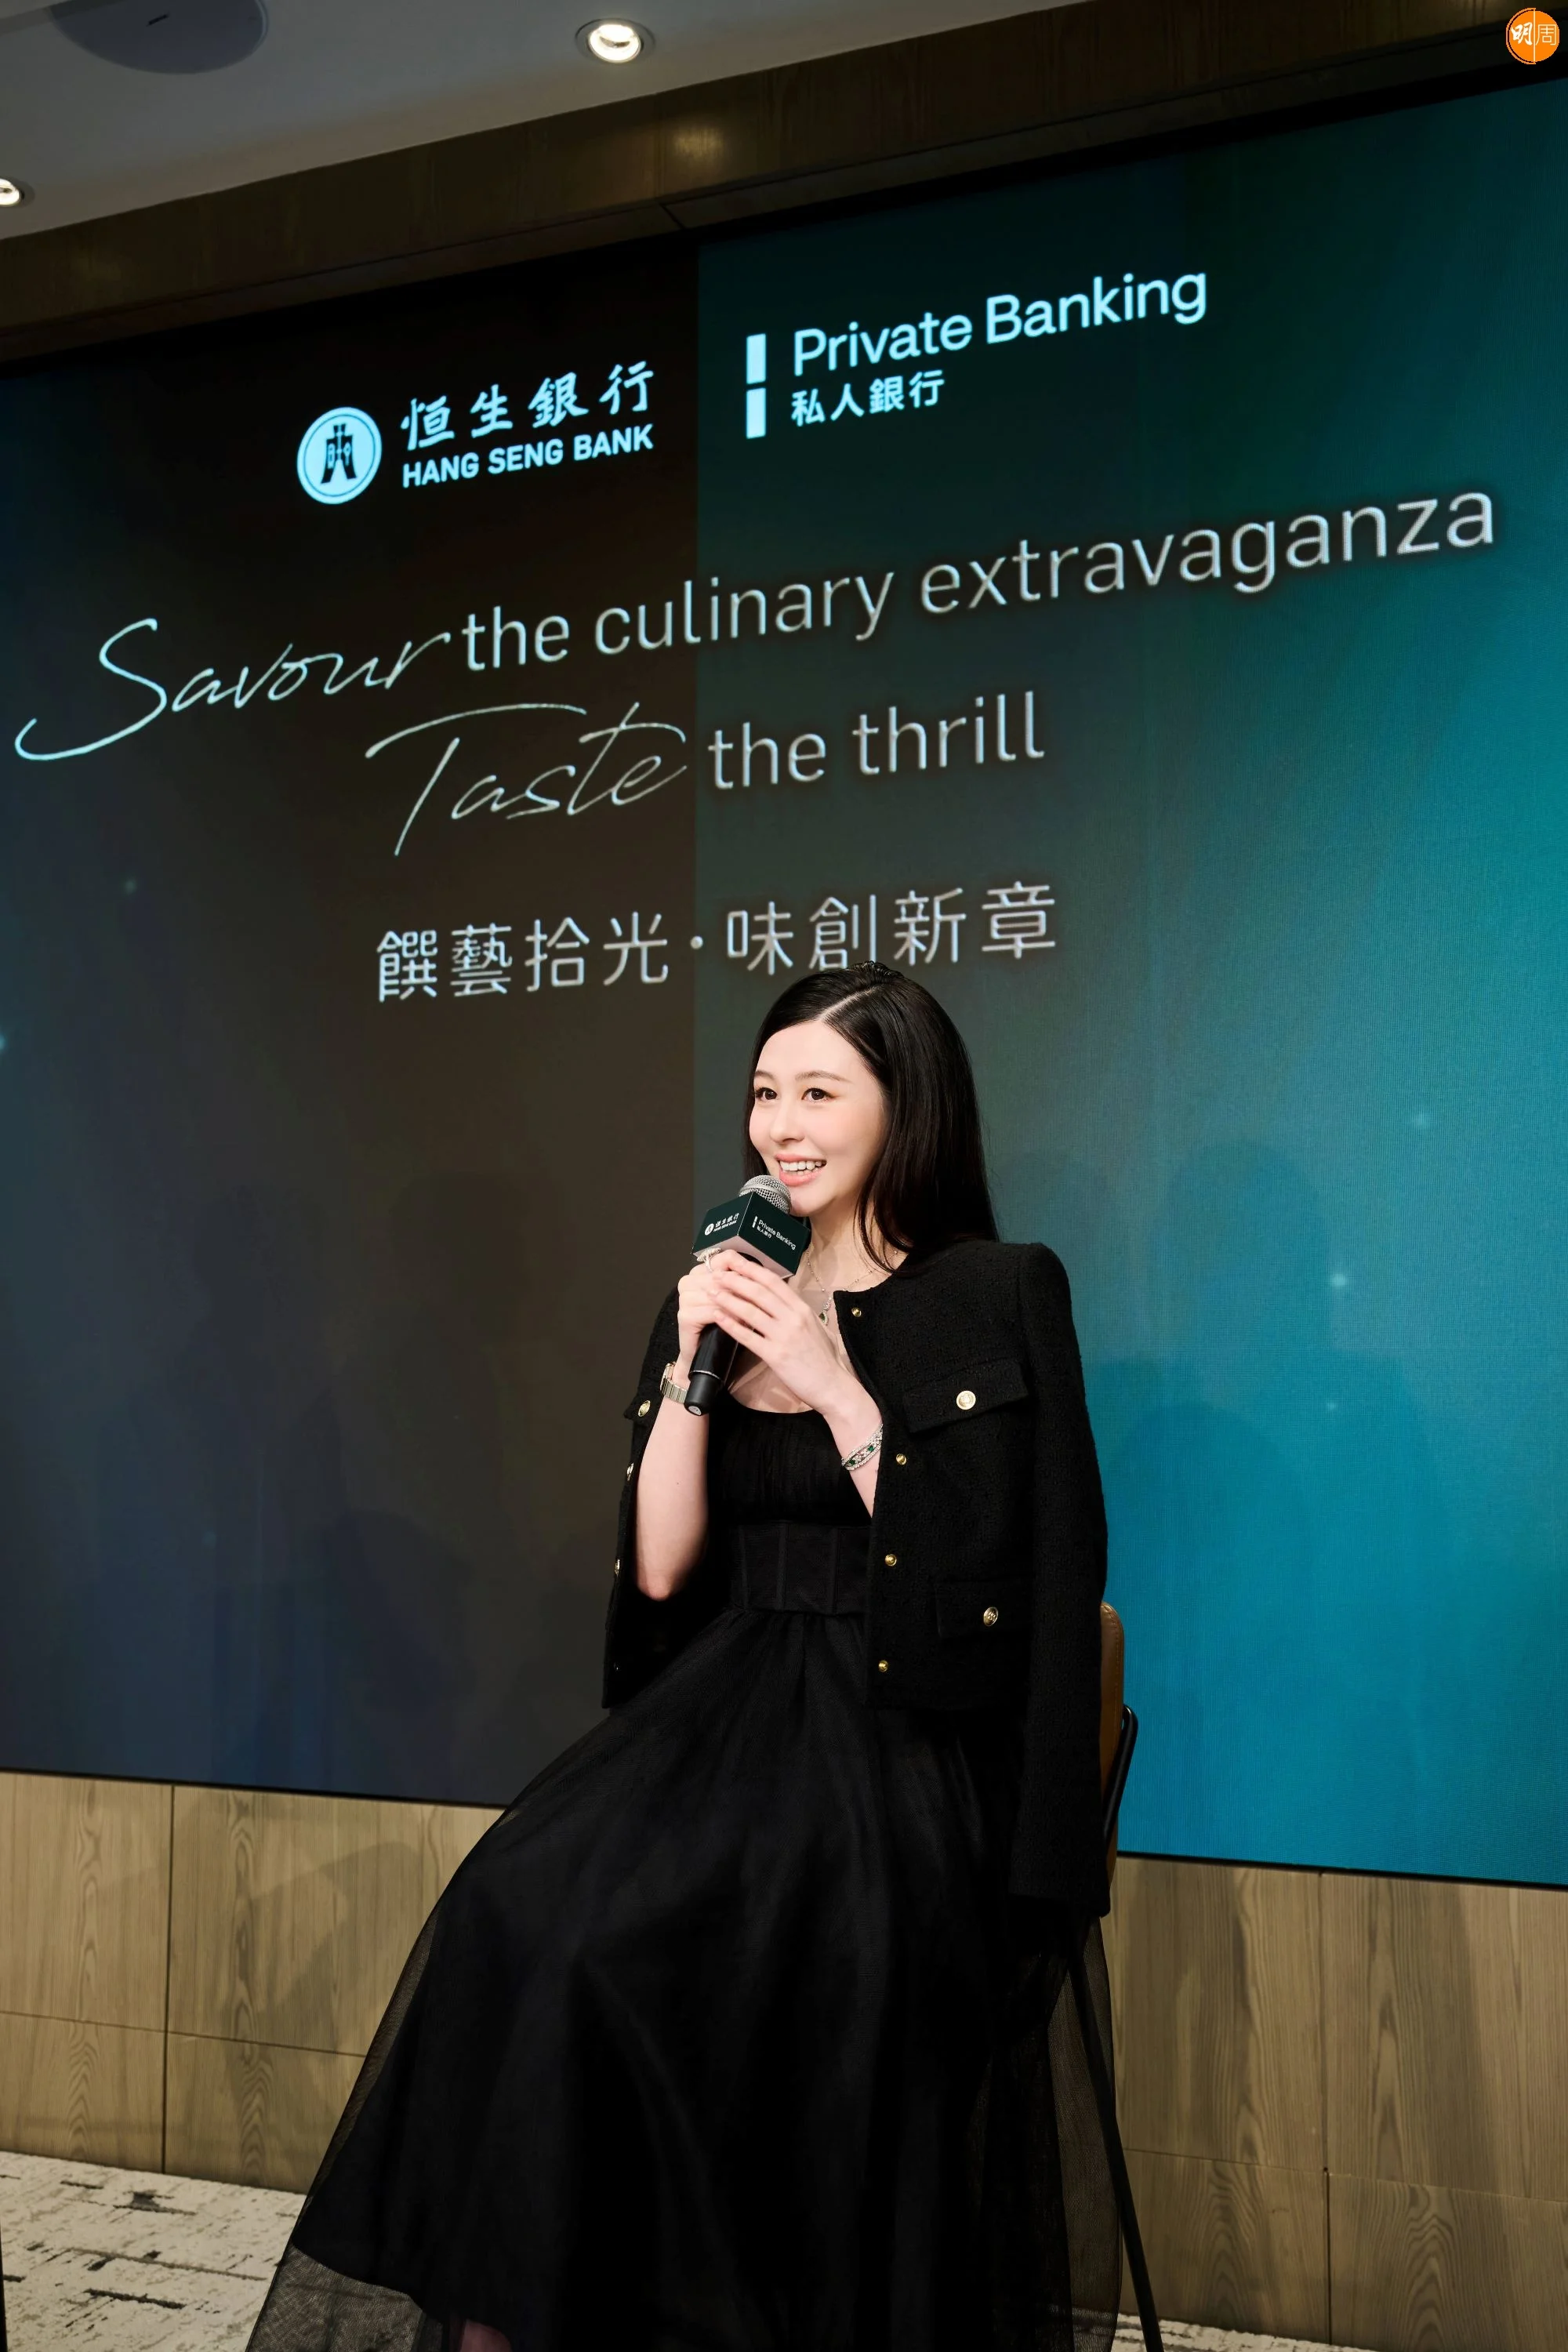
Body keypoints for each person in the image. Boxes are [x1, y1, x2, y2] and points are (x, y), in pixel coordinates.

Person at [246, 962, 1120, 2352]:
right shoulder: (718, 1290)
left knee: (721, 1950)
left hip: (900, 1733)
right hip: (724, 1707)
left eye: (820, 1092)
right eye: (767, 1093)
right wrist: (693, 1368)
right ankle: (523, 2315)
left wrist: (837, 1388)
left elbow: (1014, 1568)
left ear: (909, 1106)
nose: (782, 1125)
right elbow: (660, 1569)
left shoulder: (998, 1290)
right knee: (519, 1910)